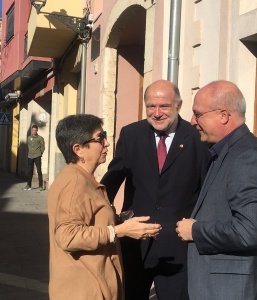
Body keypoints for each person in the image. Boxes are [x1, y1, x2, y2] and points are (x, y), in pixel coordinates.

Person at [101, 80, 210, 299]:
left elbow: (207, 190)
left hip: (178, 249)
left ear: (178, 106)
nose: (157, 113)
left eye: (164, 106)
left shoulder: (198, 138)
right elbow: (112, 180)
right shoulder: (131, 134)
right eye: (151, 106)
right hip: (135, 245)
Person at [176, 80, 257, 300]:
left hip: (233, 291)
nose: (192, 121)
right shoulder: (225, 151)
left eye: (197, 114)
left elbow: (248, 232)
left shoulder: (246, 157)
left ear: (223, 115)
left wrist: (196, 231)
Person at [48, 114, 161, 300]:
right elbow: (67, 236)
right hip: (85, 288)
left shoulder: (82, 179)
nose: (107, 143)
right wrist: (118, 231)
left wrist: (122, 222)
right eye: (100, 138)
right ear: (79, 149)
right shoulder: (75, 184)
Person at [23, 124, 45, 191]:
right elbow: (28, 146)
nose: (34, 131)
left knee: (39, 171)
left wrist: (40, 153)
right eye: (33, 130)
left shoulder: (40, 138)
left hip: (37, 156)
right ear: (31, 130)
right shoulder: (29, 138)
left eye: (35, 130)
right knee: (30, 171)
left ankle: (40, 185)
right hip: (30, 156)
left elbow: (43, 147)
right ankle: (28, 185)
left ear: (37, 130)